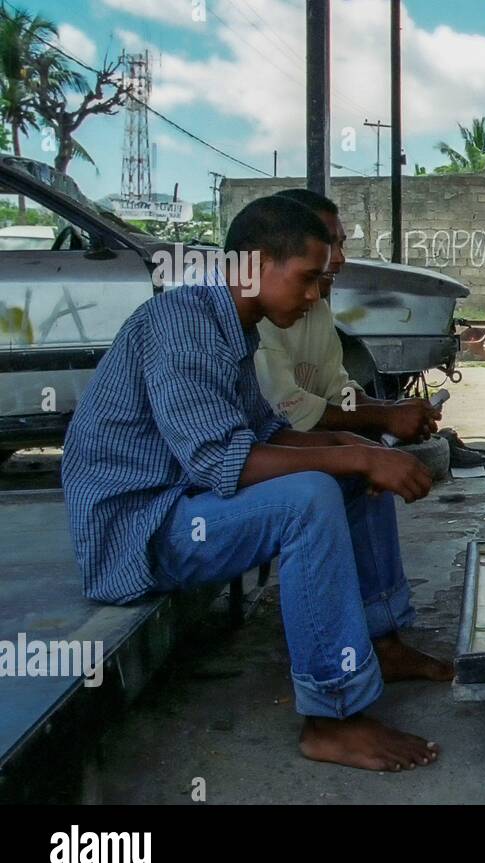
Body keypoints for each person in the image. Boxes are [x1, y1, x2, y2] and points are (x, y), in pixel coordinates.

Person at [63, 196, 448, 772]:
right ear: (256, 265)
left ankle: (379, 641)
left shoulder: (234, 325)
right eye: (308, 279)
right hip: (141, 530)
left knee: (352, 469)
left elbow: (268, 433)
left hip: (185, 504)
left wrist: (364, 452)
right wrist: (352, 459)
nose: (317, 295)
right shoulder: (181, 325)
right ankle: (332, 716)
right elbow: (226, 462)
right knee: (311, 497)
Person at [254, 188, 442, 442]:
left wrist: (392, 409)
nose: (340, 258)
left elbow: (339, 392)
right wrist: (383, 418)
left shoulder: (317, 308)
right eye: (327, 244)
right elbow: (286, 406)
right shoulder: (258, 319)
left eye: (340, 244)